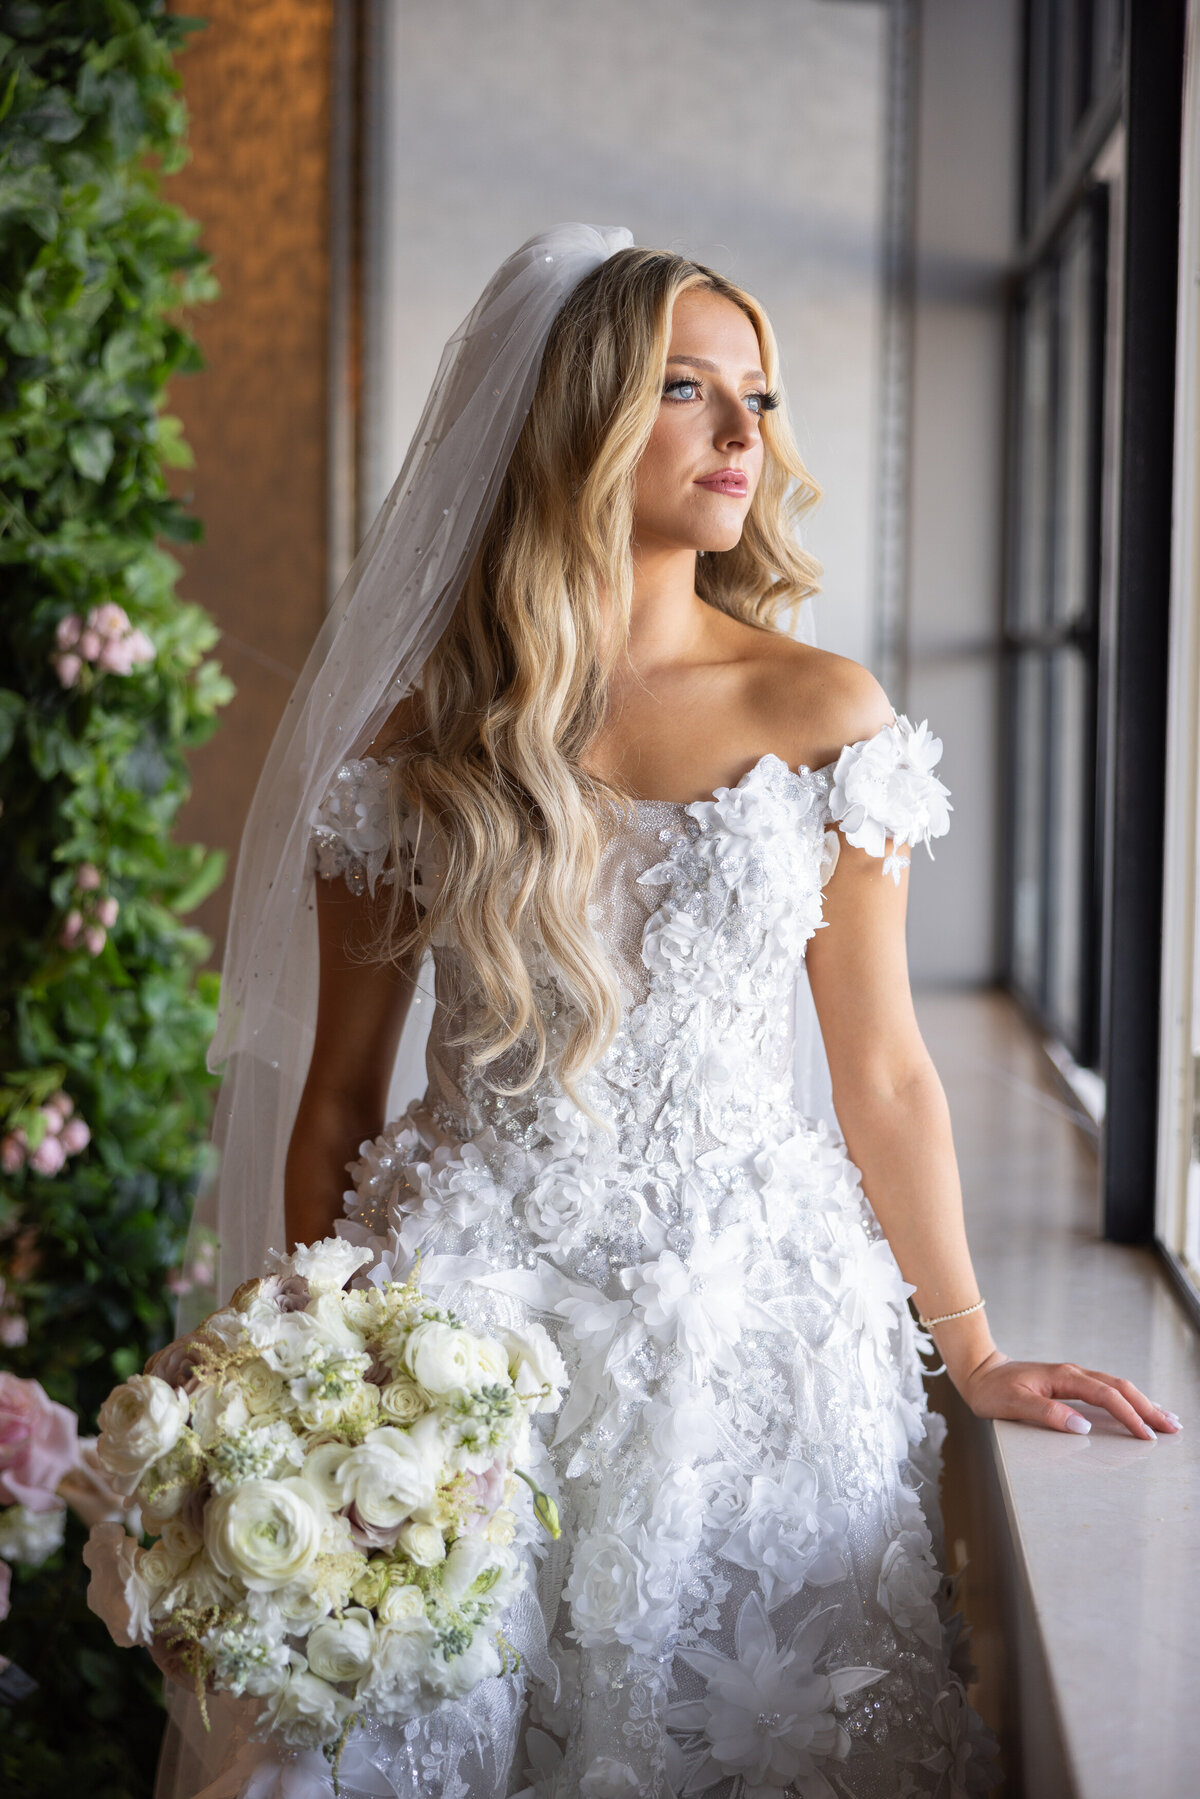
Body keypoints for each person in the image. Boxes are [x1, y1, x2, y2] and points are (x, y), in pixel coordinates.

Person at [171, 227, 1176, 1799]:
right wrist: (325, 1372)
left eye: (757, 399)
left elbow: (889, 1075)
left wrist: (971, 1353)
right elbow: (339, 1106)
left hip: (754, 1341)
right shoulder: (423, 745)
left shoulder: (821, 712)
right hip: (461, 1338)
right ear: (575, 421)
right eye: (688, 391)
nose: (740, 437)